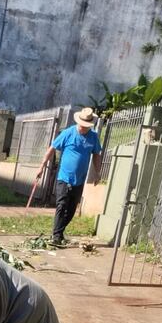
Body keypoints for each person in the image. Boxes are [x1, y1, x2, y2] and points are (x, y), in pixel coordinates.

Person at [37, 106, 102, 248]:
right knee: (61, 205)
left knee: (72, 208)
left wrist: (97, 172)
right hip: (64, 177)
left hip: (80, 179)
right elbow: (52, 148)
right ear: (78, 122)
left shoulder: (93, 137)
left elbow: (97, 154)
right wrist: (42, 166)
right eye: (82, 125)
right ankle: (56, 236)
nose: (83, 128)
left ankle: (59, 233)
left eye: (86, 126)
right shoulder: (68, 133)